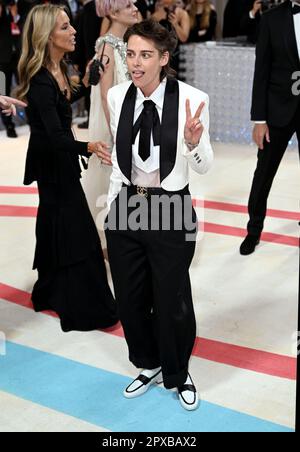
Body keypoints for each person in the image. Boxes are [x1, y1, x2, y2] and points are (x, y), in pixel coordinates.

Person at [105, 19, 213, 410]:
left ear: (164, 58)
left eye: (146, 55)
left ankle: (178, 371)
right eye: (131, 54)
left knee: (171, 298)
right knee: (130, 298)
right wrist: (113, 207)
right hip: (127, 206)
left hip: (171, 207)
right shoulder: (118, 97)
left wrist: (192, 142)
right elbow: (122, 160)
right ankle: (147, 363)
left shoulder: (192, 98)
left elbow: (204, 166)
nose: (136, 63)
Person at [15, 4, 118, 331]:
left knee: (57, 225)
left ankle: (52, 288)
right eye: (64, 27)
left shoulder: (61, 67)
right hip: (52, 165)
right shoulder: (40, 80)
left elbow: (65, 101)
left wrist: (86, 81)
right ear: (47, 36)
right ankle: (81, 303)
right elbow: (55, 136)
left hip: (60, 161)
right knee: (78, 231)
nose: (74, 31)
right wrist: (88, 145)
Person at [240, 0, 300, 255]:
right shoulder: (271, 18)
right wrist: (259, 120)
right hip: (277, 112)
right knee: (263, 174)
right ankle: (253, 231)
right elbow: (261, 72)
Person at [81, 0, 138, 247]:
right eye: (129, 6)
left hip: (123, 120)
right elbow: (105, 94)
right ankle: (104, 242)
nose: (135, 8)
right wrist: (117, 132)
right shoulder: (107, 47)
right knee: (108, 179)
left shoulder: (120, 44)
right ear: (114, 13)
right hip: (113, 125)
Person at [0, 0, 23, 137]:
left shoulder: (18, 6)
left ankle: (35, 121)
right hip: (2, 59)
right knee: (3, 92)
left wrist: (15, 13)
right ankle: (9, 125)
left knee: (26, 87)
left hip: (19, 56)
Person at [151, 0, 190, 73]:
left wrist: (175, 25)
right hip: (160, 55)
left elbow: (184, 38)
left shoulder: (183, 14)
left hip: (178, 56)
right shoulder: (157, 14)